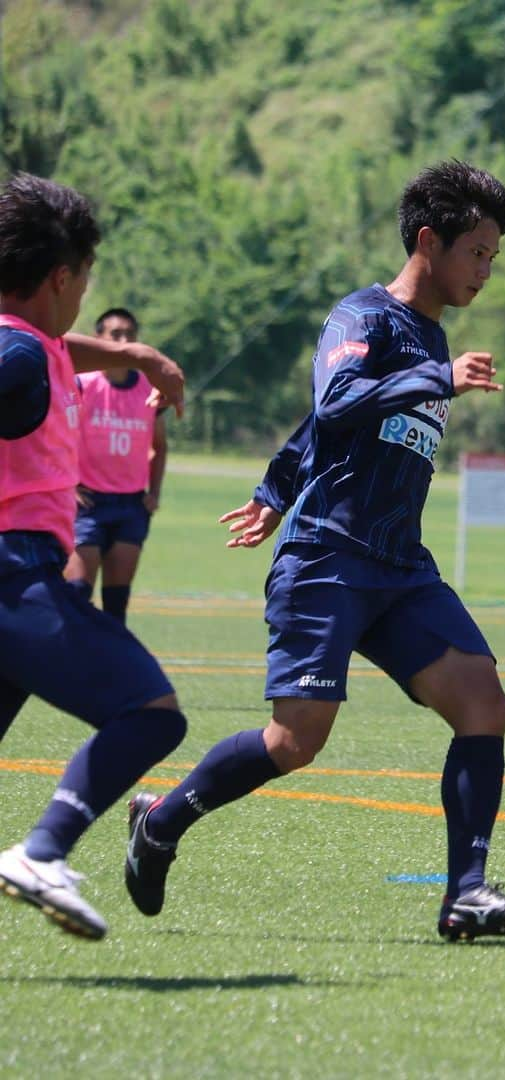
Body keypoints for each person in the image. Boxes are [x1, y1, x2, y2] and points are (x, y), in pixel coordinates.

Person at [123, 160, 505, 941]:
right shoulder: (362, 318)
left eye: (493, 257)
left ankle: (464, 896)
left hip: (399, 565)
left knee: (484, 702)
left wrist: (274, 486)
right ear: (429, 241)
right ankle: (161, 821)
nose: (484, 269)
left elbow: (325, 431)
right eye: (476, 251)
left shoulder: (431, 335)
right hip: (329, 558)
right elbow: (334, 402)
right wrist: (435, 377)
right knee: (296, 740)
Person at [0, 172, 187, 940]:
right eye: (84, 281)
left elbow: (40, 338)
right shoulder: (19, 359)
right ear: (61, 277)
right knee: (149, 713)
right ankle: (41, 850)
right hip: (16, 580)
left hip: (24, 580)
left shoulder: (29, 343)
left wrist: (136, 354)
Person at [63, 307, 168, 624]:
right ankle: (68, 670)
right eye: (115, 334)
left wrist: (154, 493)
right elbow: (56, 437)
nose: (124, 341)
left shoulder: (149, 390)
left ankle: (106, 673)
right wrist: (68, 484)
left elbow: (159, 446)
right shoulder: (82, 385)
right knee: (76, 596)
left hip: (130, 506)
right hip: (88, 504)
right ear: (99, 340)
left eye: (129, 335)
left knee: (115, 608)